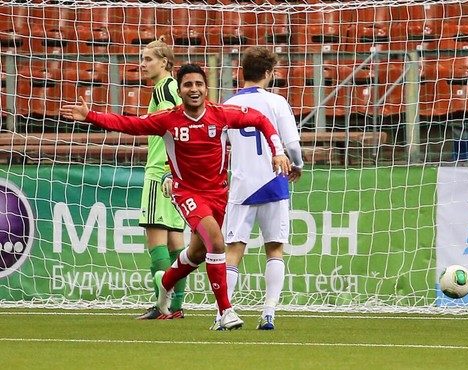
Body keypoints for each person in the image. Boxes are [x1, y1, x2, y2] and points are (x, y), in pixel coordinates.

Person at [61, 63, 291, 330]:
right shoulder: (168, 119)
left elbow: (261, 121)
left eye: (198, 84)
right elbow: (129, 124)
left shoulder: (222, 114)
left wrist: (278, 151)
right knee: (217, 244)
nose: (194, 89)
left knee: (196, 252)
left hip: (218, 194)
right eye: (188, 85)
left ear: (206, 88)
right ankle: (225, 312)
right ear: (180, 90)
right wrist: (91, 116)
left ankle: (165, 285)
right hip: (187, 193)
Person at [212, 46, 303, 330]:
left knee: (233, 250)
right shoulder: (276, 102)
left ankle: (222, 314)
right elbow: (292, 145)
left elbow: (216, 148)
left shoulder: (225, 105)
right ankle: (268, 313)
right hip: (275, 180)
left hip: (241, 185)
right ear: (268, 73)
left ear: (242, 72)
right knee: (275, 249)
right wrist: (297, 165)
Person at [135, 37, 187, 320]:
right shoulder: (172, 89)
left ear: (165, 62)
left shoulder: (164, 90)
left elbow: (174, 129)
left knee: (156, 240)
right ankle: (176, 305)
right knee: (175, 242)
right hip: (177, 175)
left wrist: (166, 167)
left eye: (148, 59)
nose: (143, 64)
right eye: (142, 59)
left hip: (160, 173)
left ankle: (161, 304)